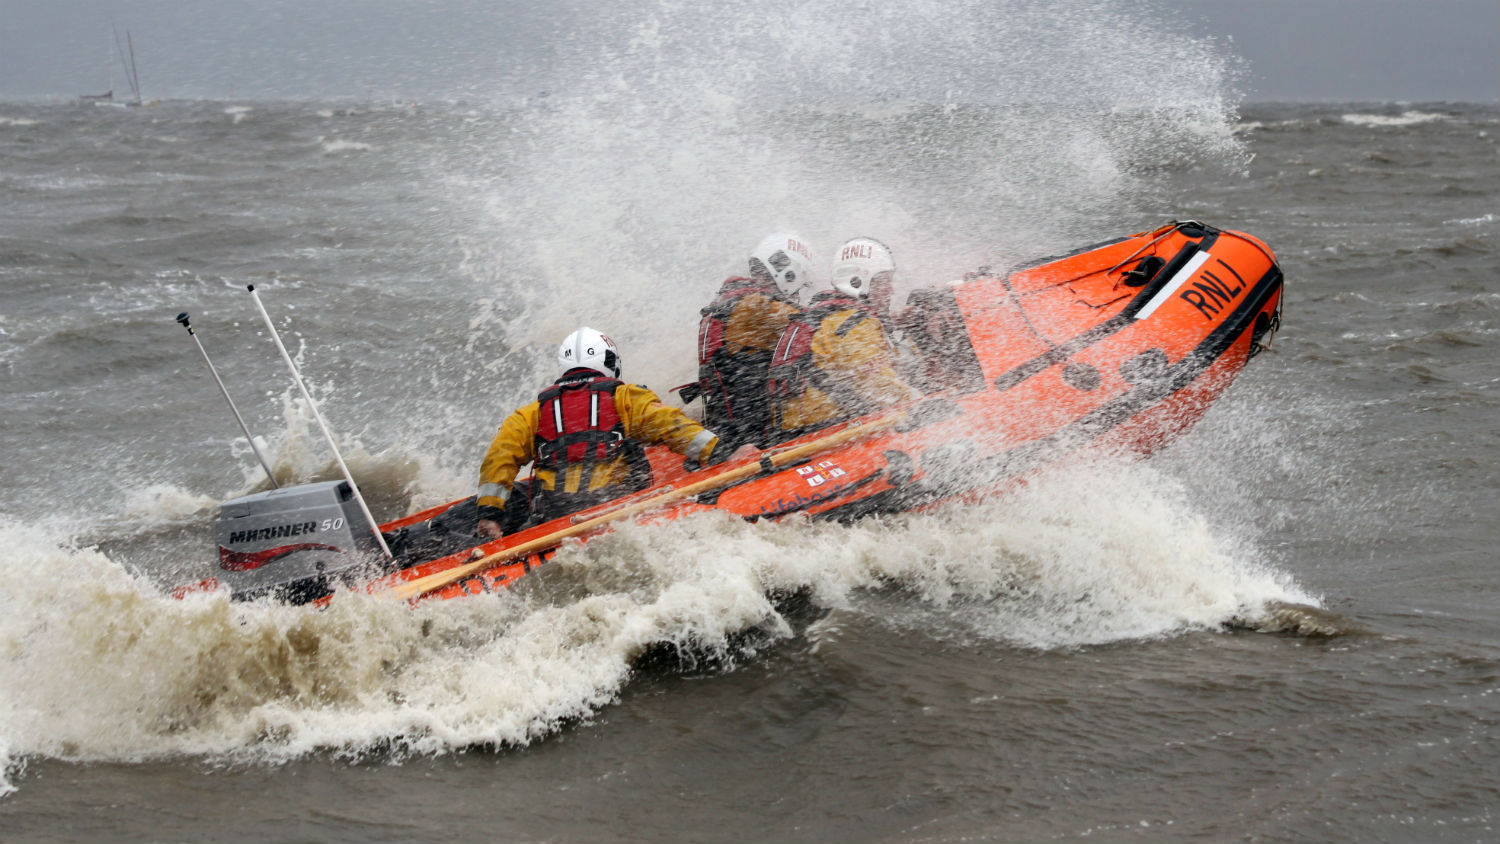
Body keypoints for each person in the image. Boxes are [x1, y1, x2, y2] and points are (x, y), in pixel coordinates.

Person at [476, 327, 727, 539]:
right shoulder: (626, 398)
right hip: (618, 511)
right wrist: (719, 453)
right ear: (609, 361)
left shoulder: (532, 413)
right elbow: (672, 426)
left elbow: (499, 458)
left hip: (555, 517)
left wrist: (490, 515)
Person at [767, 237, 921, 442]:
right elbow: (878, 384)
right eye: (884, 281)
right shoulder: (855, 324)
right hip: (830, 434)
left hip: (798, 436)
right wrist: (922, 401)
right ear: (859, 281)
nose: (891, 290)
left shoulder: (823, 317)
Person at [686, 232, 815, 451]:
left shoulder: (733, 301)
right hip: (753, 435)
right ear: (789, 273)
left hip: (730, 428)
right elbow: (819, 330)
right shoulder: (759, 306)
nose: (797, 296)